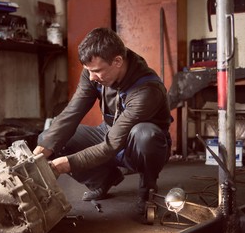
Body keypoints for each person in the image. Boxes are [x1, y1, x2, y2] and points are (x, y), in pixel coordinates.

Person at [33, 27, 172, 214]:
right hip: (108, 131)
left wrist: (63, 165)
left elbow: (112, 144)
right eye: (88, 71)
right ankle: (103, 180)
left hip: (136, 145)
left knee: (146, 135)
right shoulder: (93, 71)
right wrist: (41, 151)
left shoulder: (147, 89)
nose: (92, 77)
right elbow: (72, 113)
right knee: (51, 137)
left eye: (97, 72)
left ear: (117, 61)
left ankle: (148, 189)